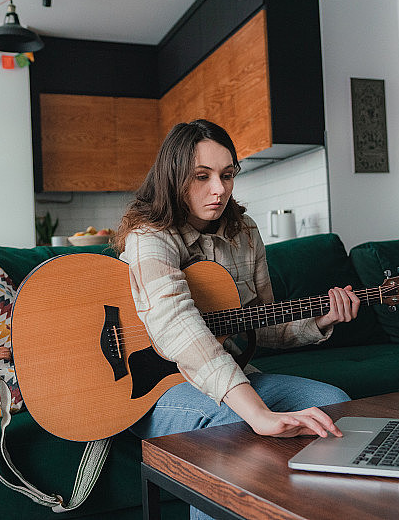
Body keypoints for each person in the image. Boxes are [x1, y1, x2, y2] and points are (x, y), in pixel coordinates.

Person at [113, 119, 359, 518]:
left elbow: (258, 322)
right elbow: (178, 325)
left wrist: (321, 320)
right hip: (149, 388)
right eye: (202, 176)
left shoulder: (243, 231)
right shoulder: (149, 235)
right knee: (233, 423)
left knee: (333, 406)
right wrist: (258, 413)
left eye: (227, 175)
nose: (219, 189)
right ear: (174, 177)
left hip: (229, 376)